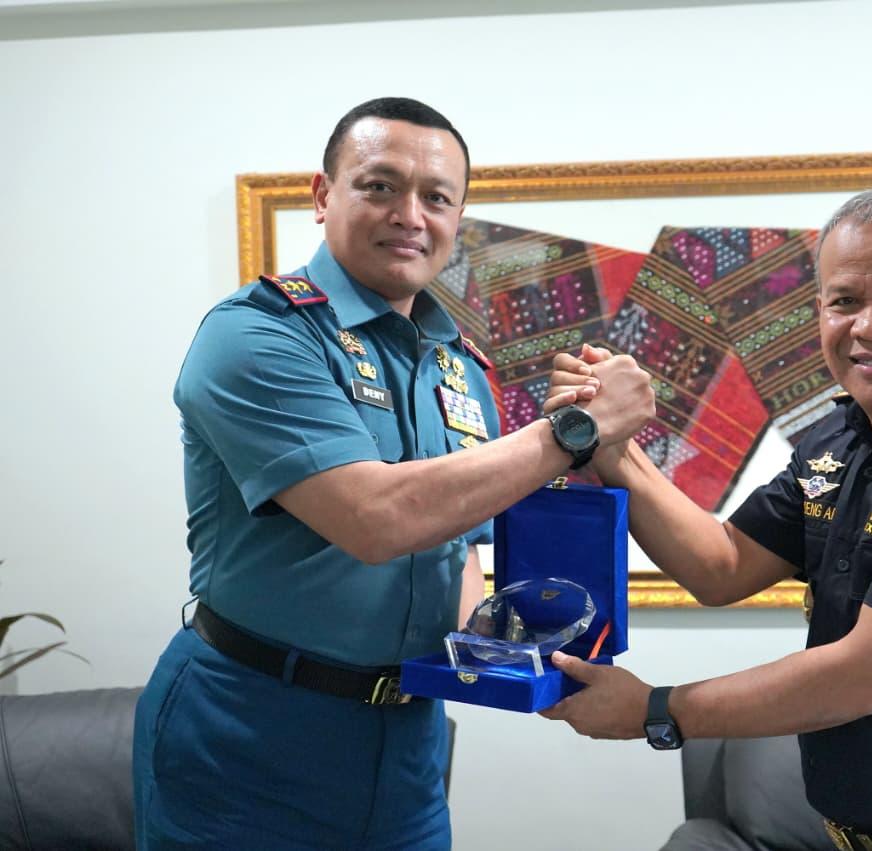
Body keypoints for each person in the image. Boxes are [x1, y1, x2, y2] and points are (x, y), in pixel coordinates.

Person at [132, 96, 654, 850]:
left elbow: (456, 542)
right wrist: (575, 431)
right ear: (323, 195)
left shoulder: (460, 367)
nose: (410, 215)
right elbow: (375, 519)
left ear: (457, 218)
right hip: (247, 734)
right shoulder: (255, 335)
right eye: (380, 186)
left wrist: (509, 651)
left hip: (407, 741)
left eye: (437, 198)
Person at [541, 188, 872, 851]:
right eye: (845, 301)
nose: (870, 326)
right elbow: (721, 565)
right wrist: (612, 446)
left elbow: (869, 675)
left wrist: (654, 709)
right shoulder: (840, 438)